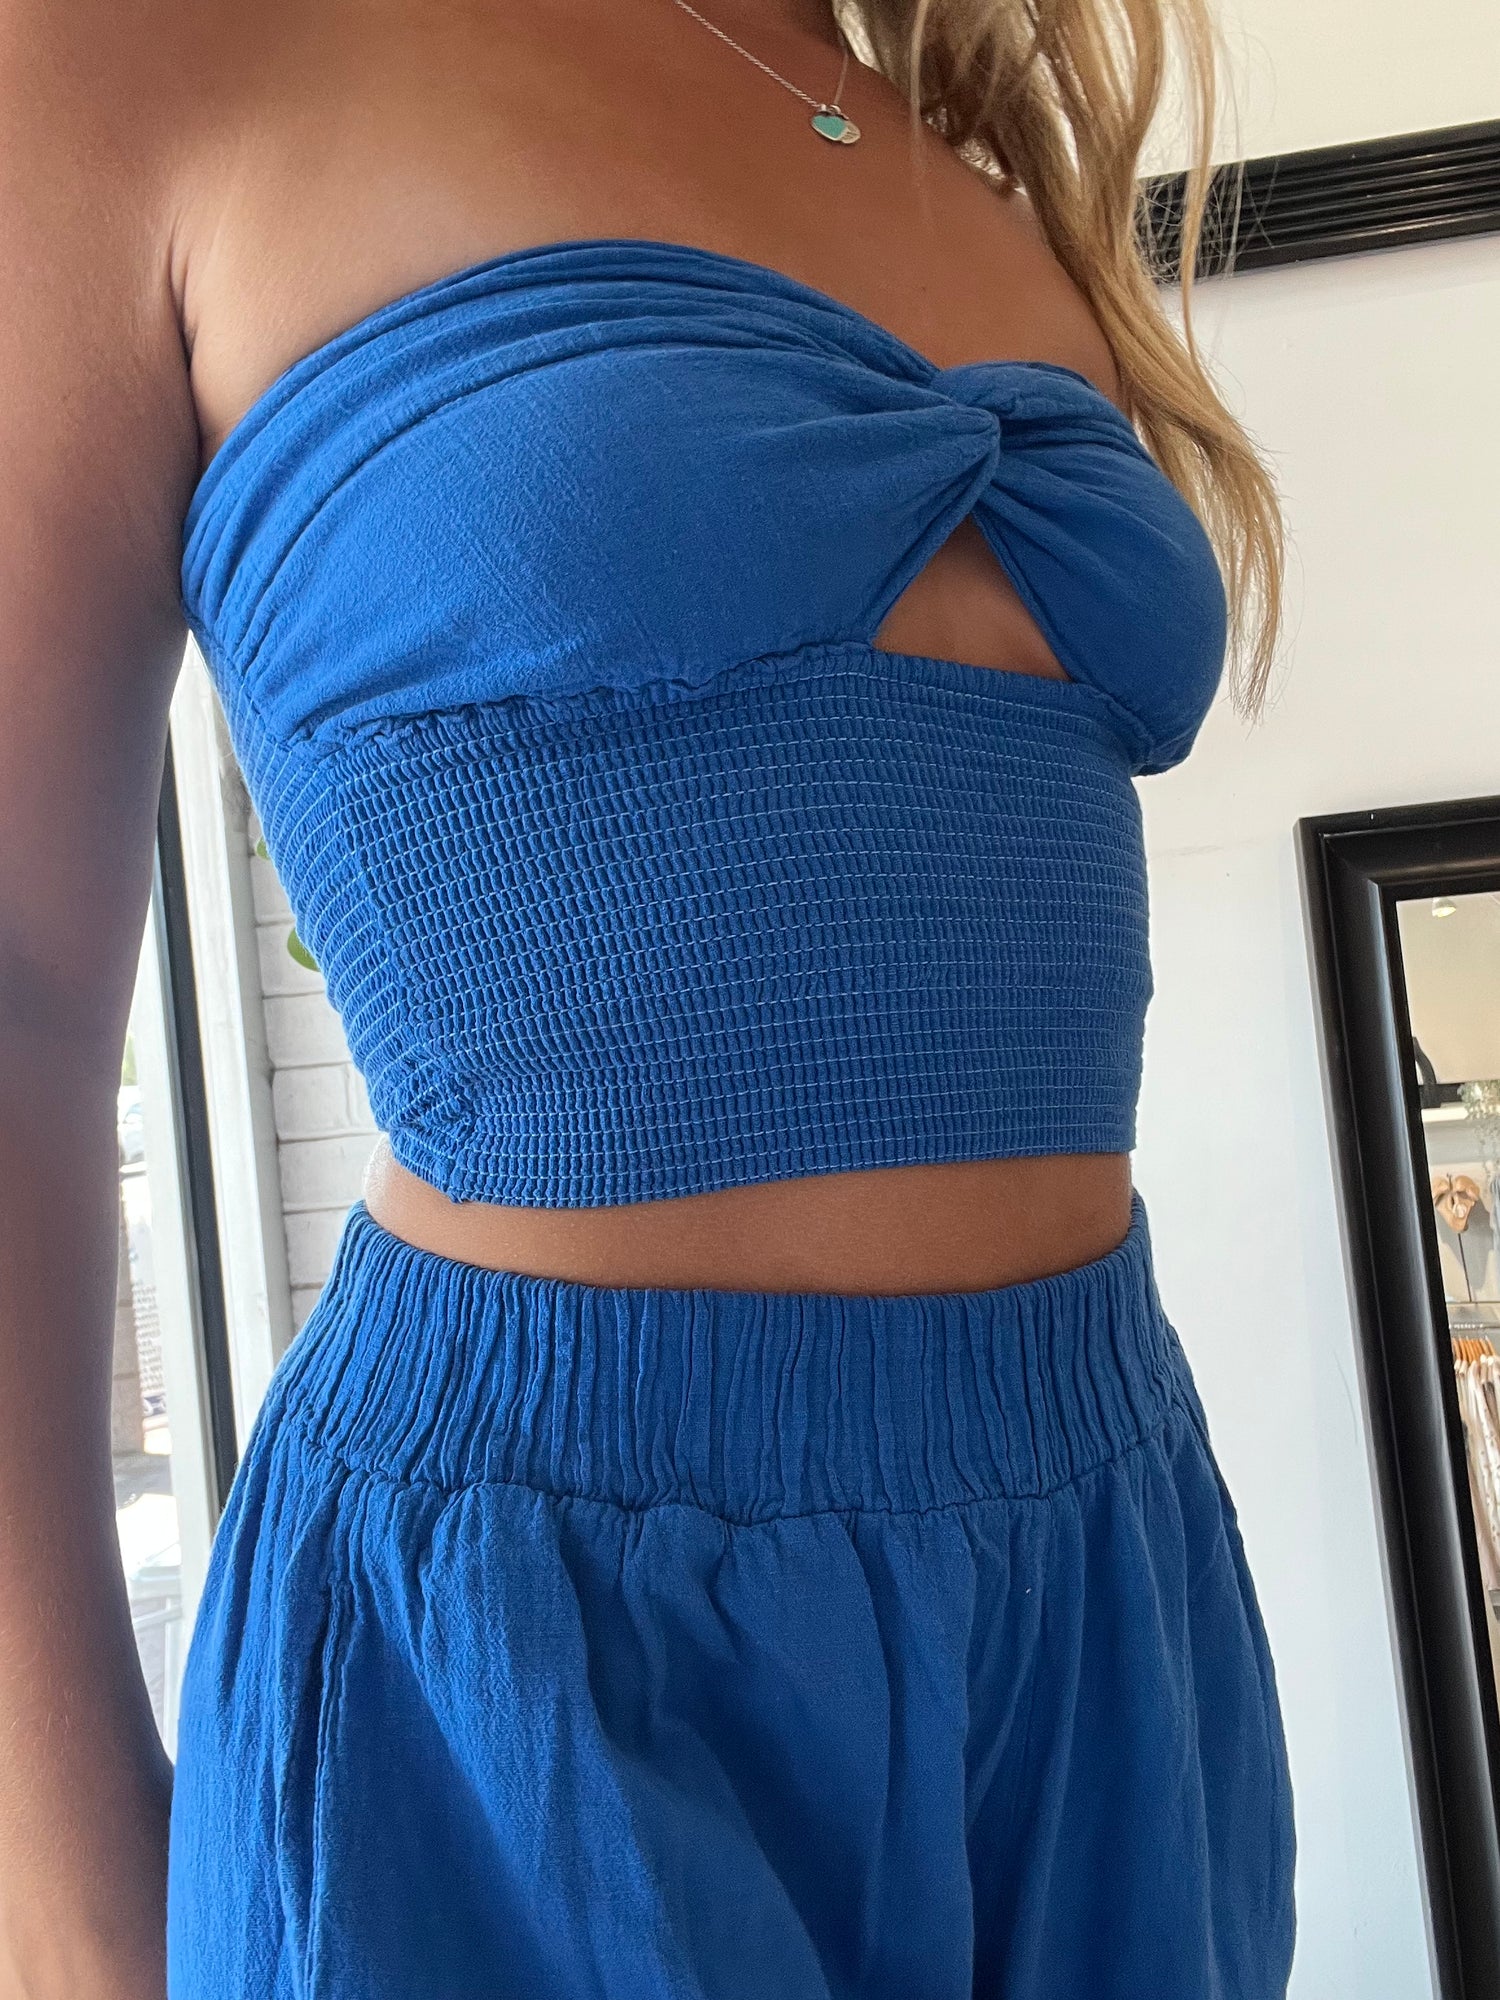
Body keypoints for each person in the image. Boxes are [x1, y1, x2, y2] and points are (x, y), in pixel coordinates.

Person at [0, 0, 1296, 1994]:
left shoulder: (917, 130)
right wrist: (75, 1927)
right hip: (523, 1675)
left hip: (1104, 1584)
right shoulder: (132, 53)